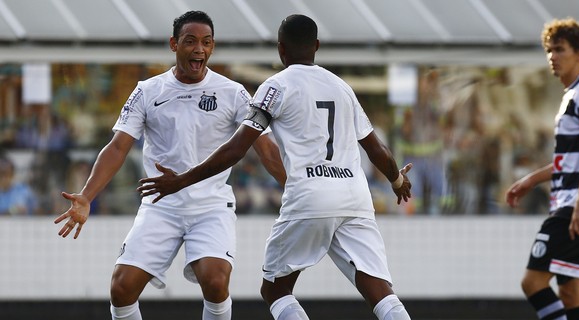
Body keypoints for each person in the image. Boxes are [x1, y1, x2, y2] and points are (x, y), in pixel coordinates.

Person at [138, 14, 414, 320]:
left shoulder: (275, 87)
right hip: (355, 198)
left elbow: (236, 148)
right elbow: (377, 149)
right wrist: (397, 180)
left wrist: (182, 180)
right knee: (378, 287)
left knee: (275, 290)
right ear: (317, 47)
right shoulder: (341, 87)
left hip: (310, 196)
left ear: (281, 49)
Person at [53, 10, 285, 320]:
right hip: (160, 206)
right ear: (174, 44)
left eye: (206, 42)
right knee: (121, 289)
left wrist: (296, 191)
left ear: (213, 47)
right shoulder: (147, 91)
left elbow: (268, 150)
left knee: (215, 283)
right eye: (190, 41)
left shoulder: (234, 93)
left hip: (210, 207)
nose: (199, 49)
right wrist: (86, 195)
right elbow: (118, 146)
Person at [505, 18, 579, 320]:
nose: (552, 57)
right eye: (549, 51)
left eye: (560, 49)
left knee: (532, 282)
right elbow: (572, 158)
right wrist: (530, 180)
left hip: (576, 207)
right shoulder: (573, 95)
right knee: (571, 292)